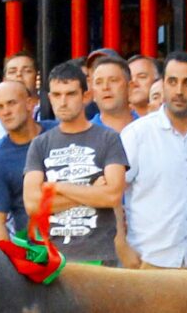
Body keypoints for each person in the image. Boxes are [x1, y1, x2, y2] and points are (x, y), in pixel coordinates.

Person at [120, 52, 187, 271]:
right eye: (172, 82)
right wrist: (121, 245)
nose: (179, 91)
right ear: (163, 85)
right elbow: (113, 194)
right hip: (148, 262)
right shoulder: (137, 134)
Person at [20, 62, 129, 266]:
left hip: (100, 258)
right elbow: (32, 204)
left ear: (86, 96)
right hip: (54, 261)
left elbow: (113, 195)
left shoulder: (109, 139)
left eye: (70, 94)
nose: (63, 101)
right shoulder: (40, 144)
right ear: (49, 97)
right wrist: (90, 193)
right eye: (56, 94)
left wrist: (57, 188)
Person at [0, 80, 54, 242]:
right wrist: (15, 262)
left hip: (86, 239)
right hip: (41, 253)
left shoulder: (59, 132)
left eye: (11, 103)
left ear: (29, 104)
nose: (6, 112)